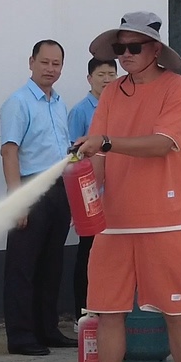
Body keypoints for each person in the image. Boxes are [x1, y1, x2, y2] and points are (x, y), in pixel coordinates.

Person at [72, 11, 181, 362]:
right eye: (119, 48)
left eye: (133, 47)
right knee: (107, 312)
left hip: (163, 219)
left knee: (175, 311)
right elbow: (99, 154)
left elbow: (164, 143)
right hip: (112, 223)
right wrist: (87, 194)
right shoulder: (112, 93)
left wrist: (106, 142)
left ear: (155, 49)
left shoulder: (178, 88)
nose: (124, 55)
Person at [0, 40, 74, 357]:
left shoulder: (59, 103)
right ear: (31, 62)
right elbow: (9, 151)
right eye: (44, 62)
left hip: (59, 188)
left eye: (56, 64)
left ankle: (48, 330)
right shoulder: (18, 102)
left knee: (51, 265)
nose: (50, 69)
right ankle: (21, 336)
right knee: (23, 267)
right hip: (31, 187)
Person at [69, 57, 120, 315]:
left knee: (113, 255)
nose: (107, 79)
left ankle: (109, 310)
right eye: (101, 74)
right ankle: (83, 311)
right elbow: (72, 156)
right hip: (90, 194)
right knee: (88, 253)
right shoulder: (80, 111)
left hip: (117, 193)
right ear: (90, 78)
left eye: (112, 74)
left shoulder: (121, 107)